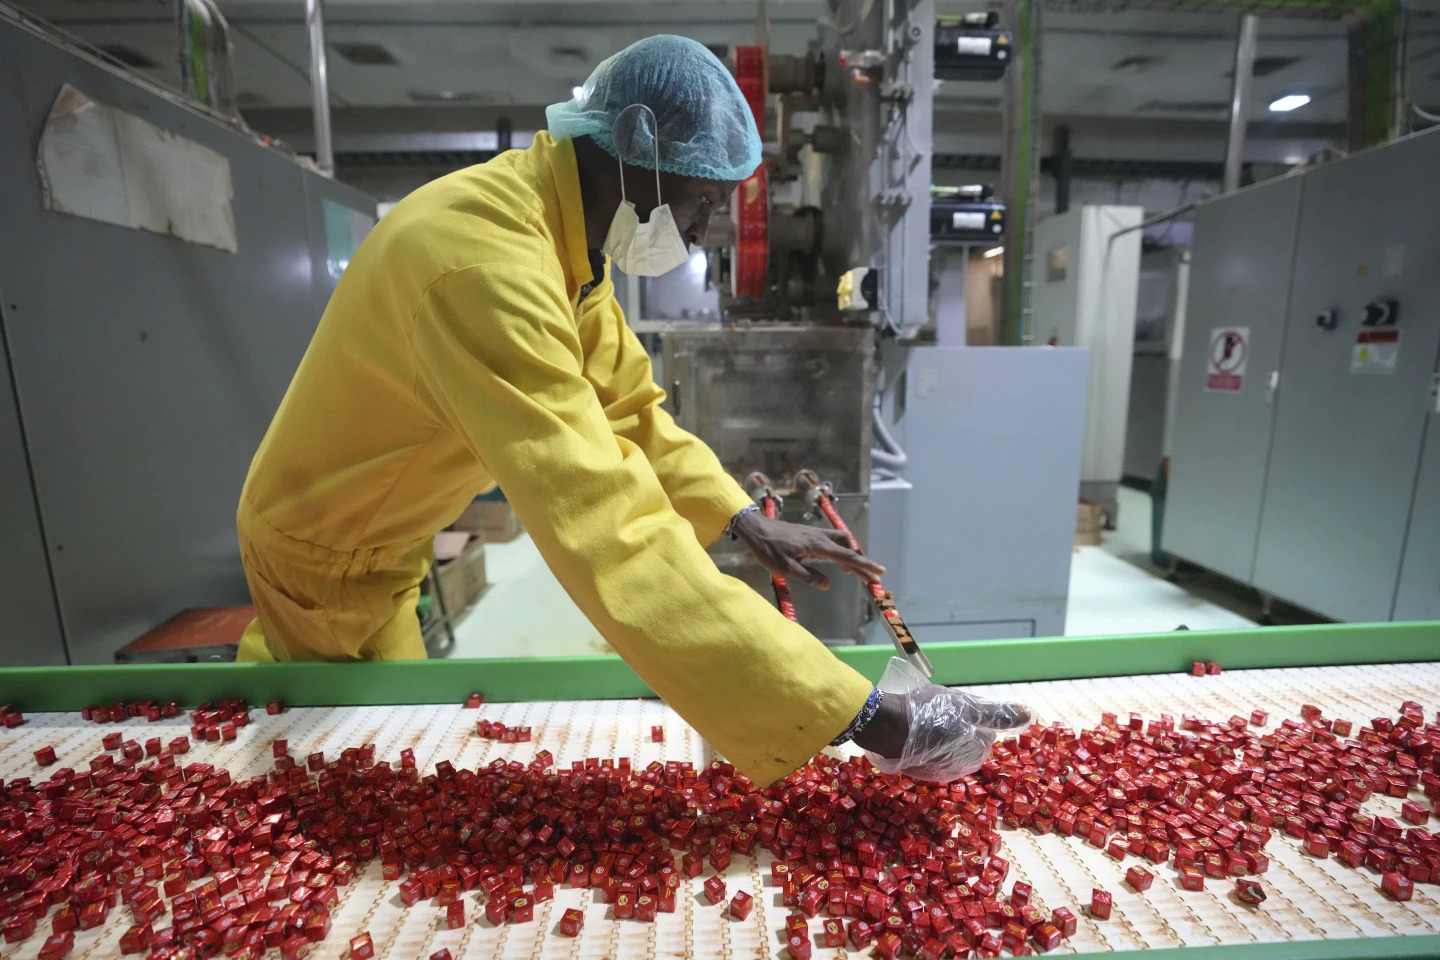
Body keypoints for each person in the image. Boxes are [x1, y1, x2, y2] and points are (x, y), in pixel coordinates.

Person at [236, 35, 1029, 785]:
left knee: (388, 745)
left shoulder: (560, 240)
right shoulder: (484, 266)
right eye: (700, 201)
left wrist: (738, 517)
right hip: (326, 560)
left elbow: (629, 409)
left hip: (384, 551)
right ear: (634, 152)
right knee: (348, 772)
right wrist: (863, 715)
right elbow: (605, 527)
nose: (701, 231)